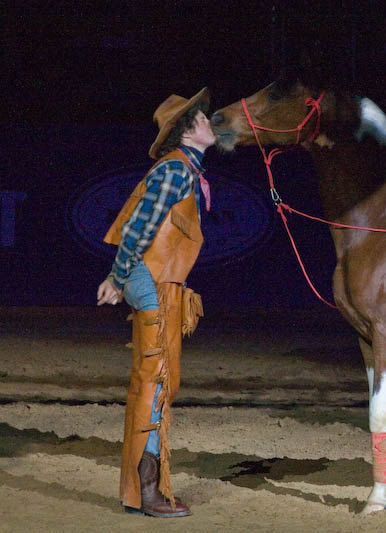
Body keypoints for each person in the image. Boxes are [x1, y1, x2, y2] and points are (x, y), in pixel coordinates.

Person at [96, 87, 215, 518]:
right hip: (152, 280)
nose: (208, 122)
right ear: (185, 133)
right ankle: (147, 492)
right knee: (154, 382)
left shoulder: (183, 169)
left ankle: (142, 490)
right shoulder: (175, 170)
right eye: (200, 120)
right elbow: (139, 229)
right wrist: (119, 274)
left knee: (155, 381)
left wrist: (117, 276)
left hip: (154, 279)